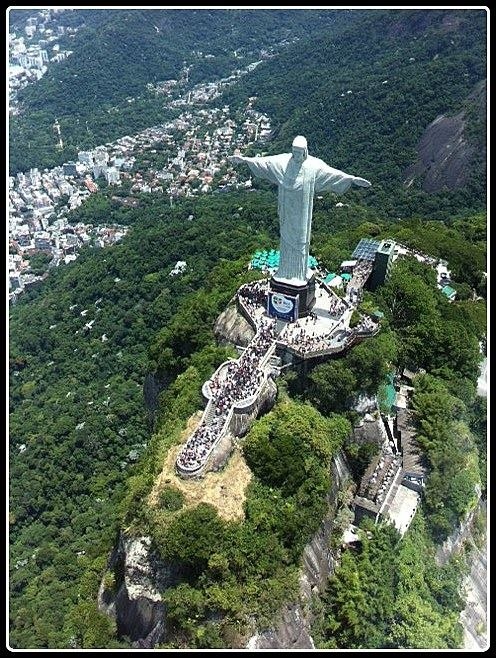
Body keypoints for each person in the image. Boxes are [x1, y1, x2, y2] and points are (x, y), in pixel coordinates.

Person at [229, 136, 371, 283]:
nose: (297, 155)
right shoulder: (283, 163)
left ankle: (299, 273)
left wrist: (351, 179)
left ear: (305, 151)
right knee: (285, 241)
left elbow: (332, 174)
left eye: (299, 152)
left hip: (302, 213)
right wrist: (245, 160)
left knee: (301, 242)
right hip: (287, 211)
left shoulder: (313, 166)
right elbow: (264, 163)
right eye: (294, 152)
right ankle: (284, 272)